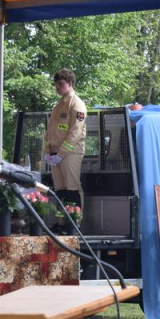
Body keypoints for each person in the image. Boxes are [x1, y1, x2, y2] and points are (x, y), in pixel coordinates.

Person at [42, 68, 87, 213]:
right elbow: (49, 132)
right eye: (56, 84)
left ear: (70, 83)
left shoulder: (76, 104)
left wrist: (60, 154)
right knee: (60, 189)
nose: (57, 87)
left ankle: (74, 224)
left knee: (71, 187)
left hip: (70, 152)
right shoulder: (58, 106)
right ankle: (61, 223)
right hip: (55, 154)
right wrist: (48, 151)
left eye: (61, 84)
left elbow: (75, 132)